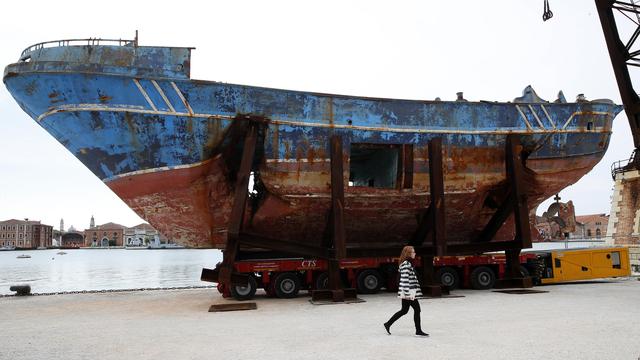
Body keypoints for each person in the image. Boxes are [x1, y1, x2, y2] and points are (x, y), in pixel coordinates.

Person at [383, 245, 429, 337]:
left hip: (407, 291)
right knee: (417, 309)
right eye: (413, 252)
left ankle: (388, 324)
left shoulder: (408, 263)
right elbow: (404, 280)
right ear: (408, 254)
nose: (414, 253)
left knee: (404, 310)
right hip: (408, 292)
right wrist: (408, 294)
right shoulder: (406, 264)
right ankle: (418, 330)